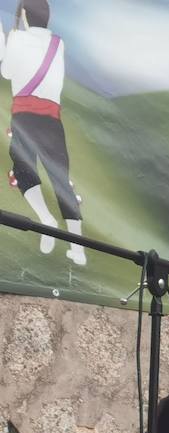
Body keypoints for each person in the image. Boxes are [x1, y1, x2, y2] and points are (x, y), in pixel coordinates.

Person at [0, 0, 86, 265]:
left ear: (24, 14)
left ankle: (46, 219)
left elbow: (6, 71)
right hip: (52, 120)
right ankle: (78, 248)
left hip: (25, 116)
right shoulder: (57, 44)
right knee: (62, 180)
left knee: (24, 172)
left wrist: (5, 42)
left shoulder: (17, 38)